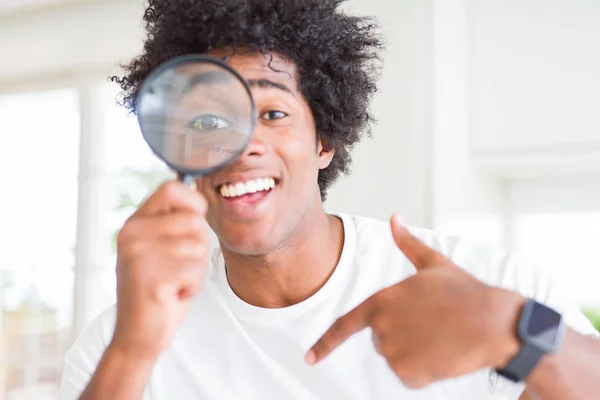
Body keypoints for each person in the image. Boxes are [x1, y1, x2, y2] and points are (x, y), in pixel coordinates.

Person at [60, 0, 600, 399]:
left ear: (325, 140)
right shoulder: (120, 340)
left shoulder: (477, 284)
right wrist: (133, 351)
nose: (242, 144)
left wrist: (512, 331)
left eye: (272, 114)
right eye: (208, 120)